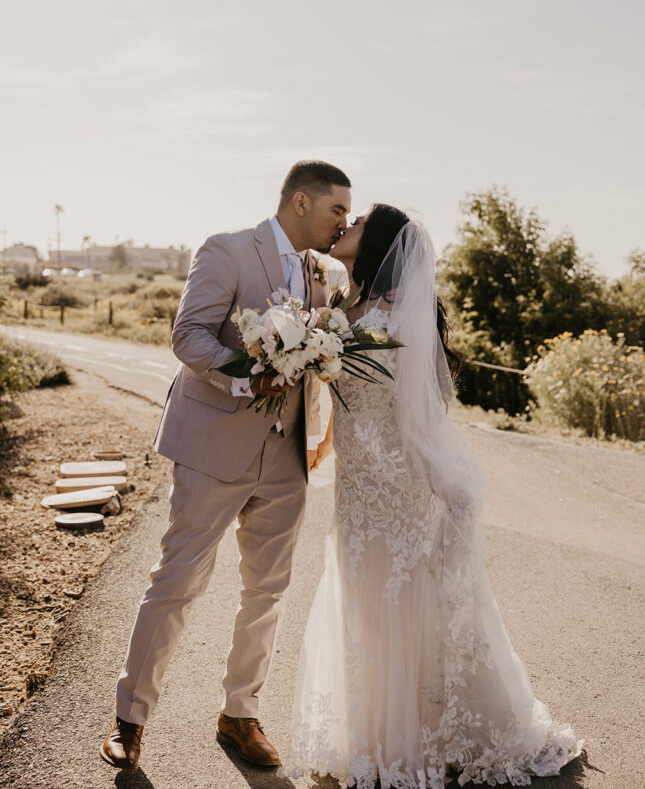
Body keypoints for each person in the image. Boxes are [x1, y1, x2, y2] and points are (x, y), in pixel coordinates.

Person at [287, 204, 583, 788]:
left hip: (396, 495)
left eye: (359, 220)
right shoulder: (342, 311)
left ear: (378, 244)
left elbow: (419, 421)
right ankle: (367, 733)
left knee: (401, 612)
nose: (347, 224)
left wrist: (452, 489)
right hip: (354, 494)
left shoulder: (401, 322)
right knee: (363, 609)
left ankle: (407, 741)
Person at [100, 160, 352, 772]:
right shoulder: (228, 249)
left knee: (267, 590)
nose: (343, 222)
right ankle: (129, 721)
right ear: (300, 203)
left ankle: (241, 715)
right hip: (214, 446)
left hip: (285, 455)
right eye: (336, 210)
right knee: (177, 581)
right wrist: (248, 373)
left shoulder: (326, 273)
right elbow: (188, 336)